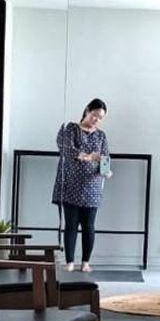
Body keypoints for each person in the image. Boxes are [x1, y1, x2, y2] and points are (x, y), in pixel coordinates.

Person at [53, 98, 109, 272]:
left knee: (89, 226)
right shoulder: (70, 129)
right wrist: (89, 156)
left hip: (92, 186)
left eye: (100, 118)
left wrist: (106, 171)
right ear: (87, 110)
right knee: (71, 224)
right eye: (94, 115)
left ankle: (85, 262)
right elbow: (66, 149)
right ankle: (69, 261)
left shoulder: (101, 135)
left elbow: (105, 158)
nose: (96, 120)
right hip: (70, 184)